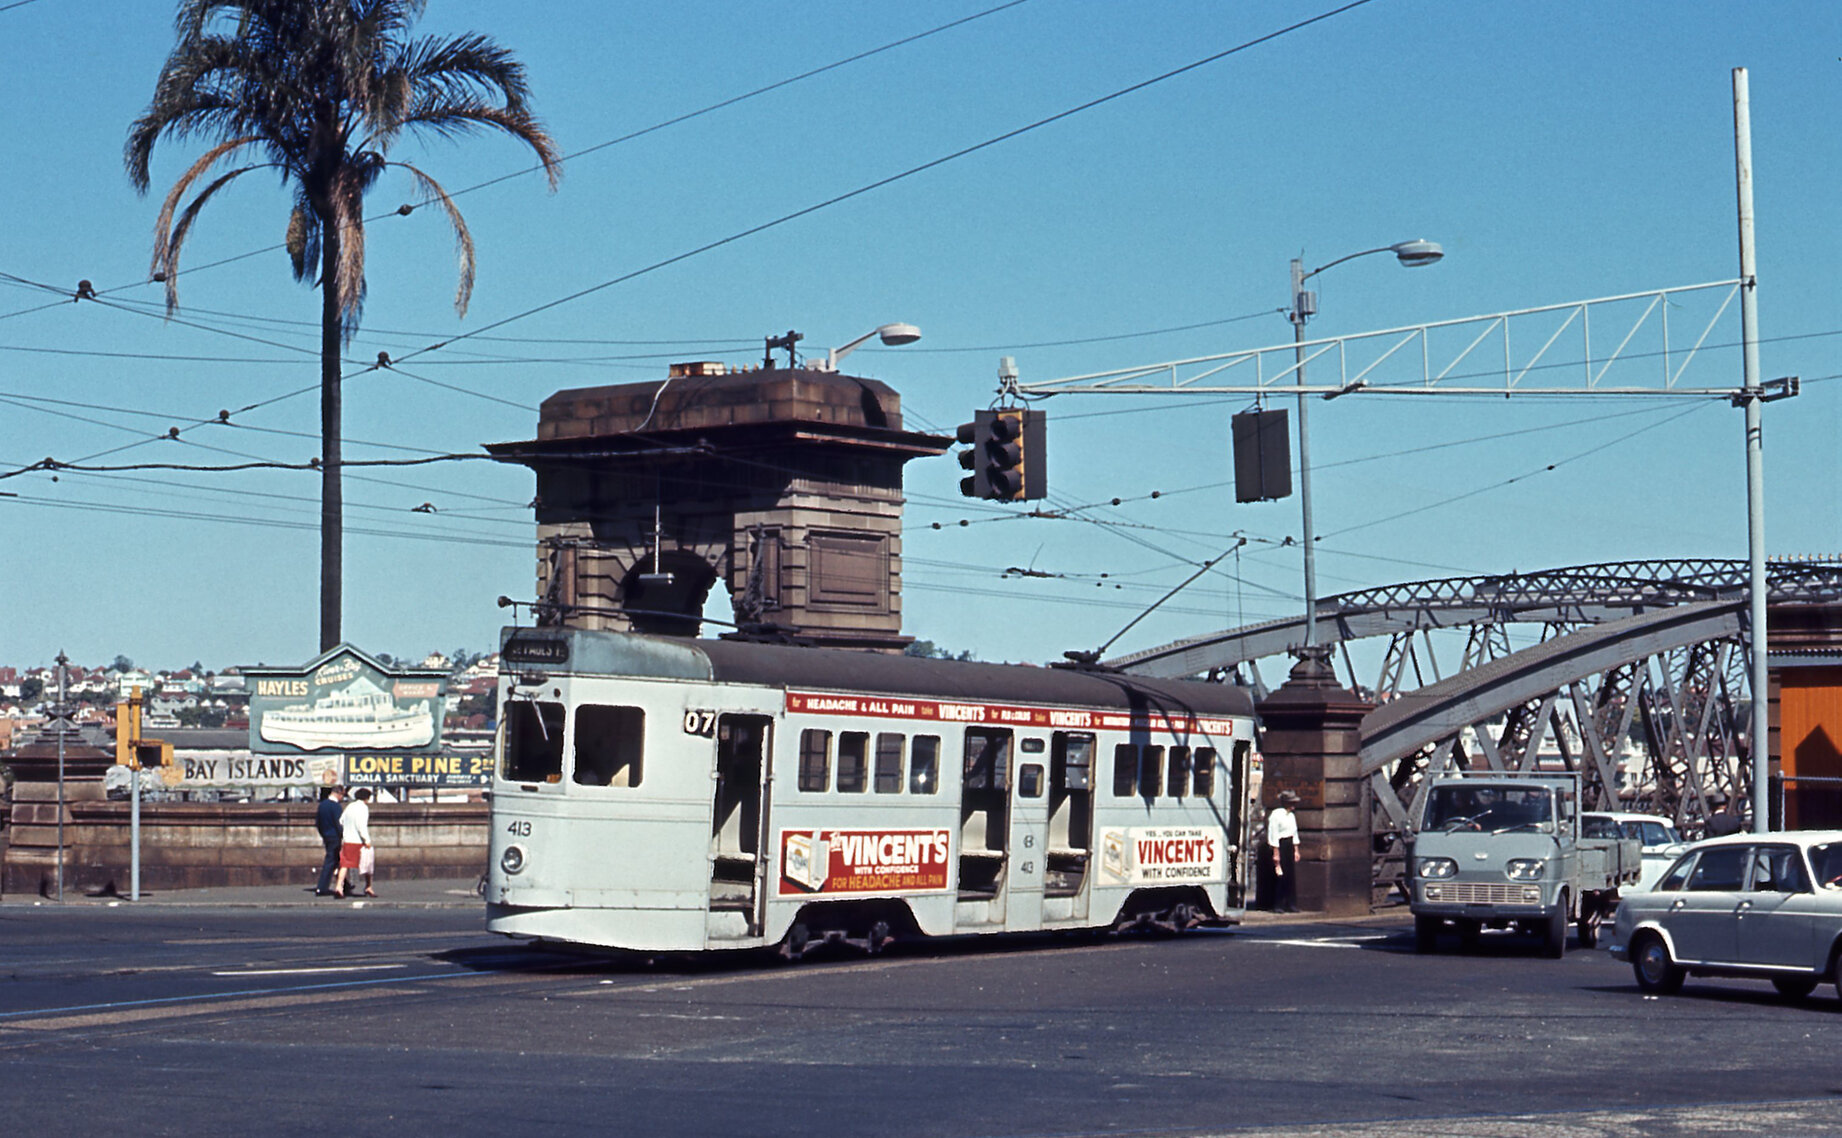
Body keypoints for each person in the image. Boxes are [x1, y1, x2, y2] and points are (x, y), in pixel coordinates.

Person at [332, 787, 376, 898]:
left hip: (347, 840)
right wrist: (367, 840)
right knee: (368, 865)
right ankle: (368, 887)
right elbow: (361, 826)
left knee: (345, 864)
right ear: (366, 798)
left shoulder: (350, 806)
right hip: (358, 841)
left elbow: (341, 821)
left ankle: (338, 887)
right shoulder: (363, 808)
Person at [1268, 789, 1301, 913]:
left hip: (1289, 845)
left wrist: (1296, 850)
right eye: (1291, 803)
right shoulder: (1276, 814)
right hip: (1280, 844)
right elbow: (1274, 834)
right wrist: (1276, 853)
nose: (1293, 806)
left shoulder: (1291, 816)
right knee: (1280, 875)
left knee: (1290, 875)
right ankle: (1278, 904)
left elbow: (1294, 833)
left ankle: (1291, 903)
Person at [313, 784, 345, 896]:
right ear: (339, 793)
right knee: (331, 861)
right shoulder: (336, 806)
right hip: (335, 836)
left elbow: (318, 823)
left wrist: (323, 834)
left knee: (336, 861)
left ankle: (345, 885)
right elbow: (339, 823)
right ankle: (321, 887)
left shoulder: (322, 805)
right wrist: (342, 836)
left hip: (326, 835)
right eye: (342, 795)